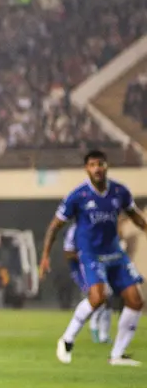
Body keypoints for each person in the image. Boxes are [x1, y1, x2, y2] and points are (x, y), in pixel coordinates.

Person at [41, 150, 146, 366]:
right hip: (91, 254)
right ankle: (67, 339)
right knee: (99, 297)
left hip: (115, 253)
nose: (97, 168)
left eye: (100, 164)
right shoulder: (77, 196)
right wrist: (45, 256)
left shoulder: (120, 192)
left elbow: (135, 216)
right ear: (86, 169)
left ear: (107, 166)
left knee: (136, 301)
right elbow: (54, 226)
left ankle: (117, 355)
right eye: (92, 165)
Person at [63, 225, 111, 343]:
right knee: (98, 298)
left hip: (98, 267)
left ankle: (103, 334)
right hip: (81, 269)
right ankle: (94, 328)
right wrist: (85, 256)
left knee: (106, 299)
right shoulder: (74, 230)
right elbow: (68, 253)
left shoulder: (99, 227)